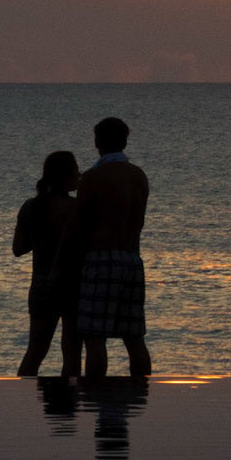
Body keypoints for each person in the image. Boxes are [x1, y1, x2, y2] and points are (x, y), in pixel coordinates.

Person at [72, 116, 151, 379]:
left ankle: (96, 393)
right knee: (134, 337)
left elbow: (79, 224)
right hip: (132, 258)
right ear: (125, 141)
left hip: (102, 258)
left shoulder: (93, 177)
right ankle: (141, 391)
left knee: (94, 337)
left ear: (97, 142)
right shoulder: (139, 176)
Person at [12, 150, 81, 377]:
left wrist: (41, 238)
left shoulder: (31, 207)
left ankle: (22, 395)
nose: (79, 174)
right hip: (72, 286)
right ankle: (69, 397)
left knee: (35, 352)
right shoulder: (77, 208)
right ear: (66, 175)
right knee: (72, 354)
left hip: (42, 286)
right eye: (76, 170)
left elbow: (18, 248)